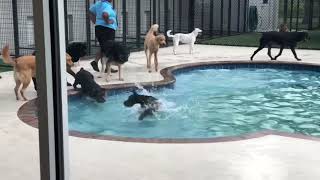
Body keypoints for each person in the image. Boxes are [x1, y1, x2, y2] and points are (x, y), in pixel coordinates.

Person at [89, 0, 118, 73]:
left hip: (99, 28)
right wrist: (108, 21)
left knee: (103, 47)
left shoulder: (98, 3)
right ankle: (106, 67)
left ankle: (97, 63)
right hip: (107, 29)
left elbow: (90, 11)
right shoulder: (107, 5)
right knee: (108, 48)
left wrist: (95, 21)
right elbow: (105, 14)